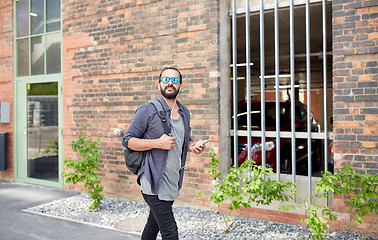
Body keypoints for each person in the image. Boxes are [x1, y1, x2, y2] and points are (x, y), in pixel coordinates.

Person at [122, 67, 207, 240]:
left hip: (172, 180)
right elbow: (128, 140)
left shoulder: (184, 113)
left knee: (153, 226)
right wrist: (157, 143)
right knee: (170, 232)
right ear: (159, 83)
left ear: (180, 86)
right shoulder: (147, 110)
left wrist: (193, 146)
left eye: (175, 80)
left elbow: (185, 141)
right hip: (153, 180)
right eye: (166, 79)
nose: (170, 83)